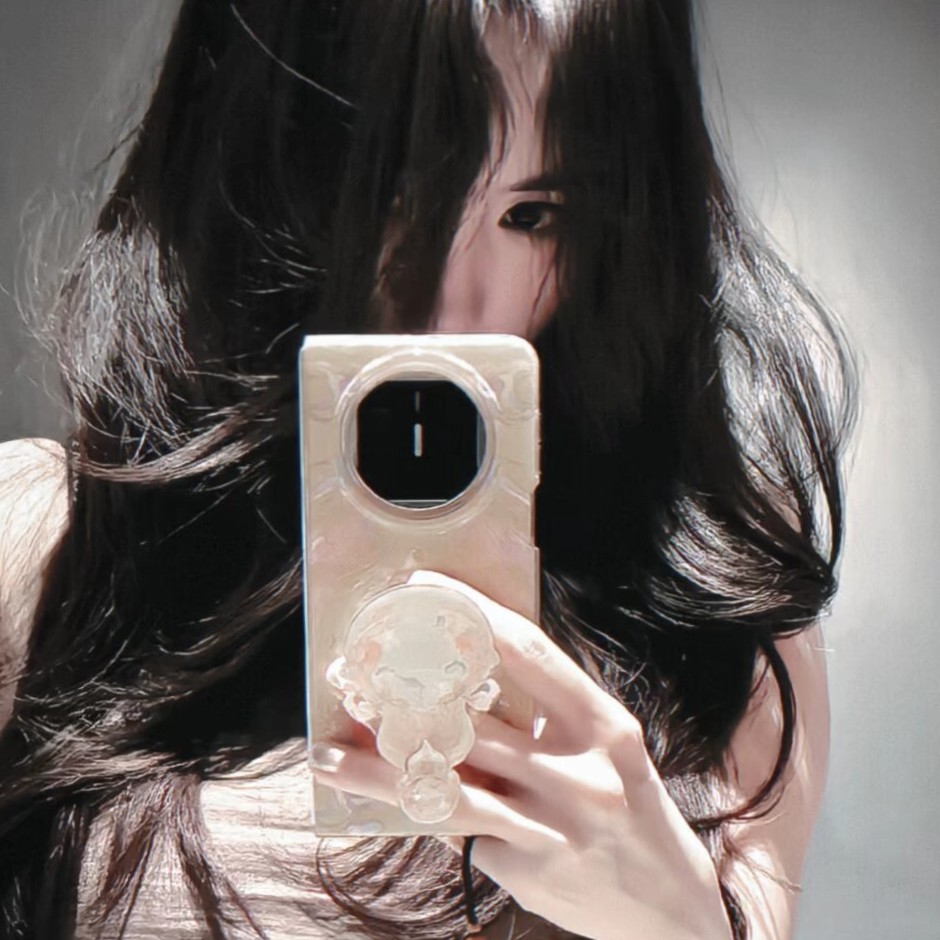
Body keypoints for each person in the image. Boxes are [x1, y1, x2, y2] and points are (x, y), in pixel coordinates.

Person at [0, 0, 855, 938]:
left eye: (535, 214)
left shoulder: (722, 595)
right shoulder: (44, 539)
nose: (455, 307)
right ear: (258, 165)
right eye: (396, 199)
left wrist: (677, 917)